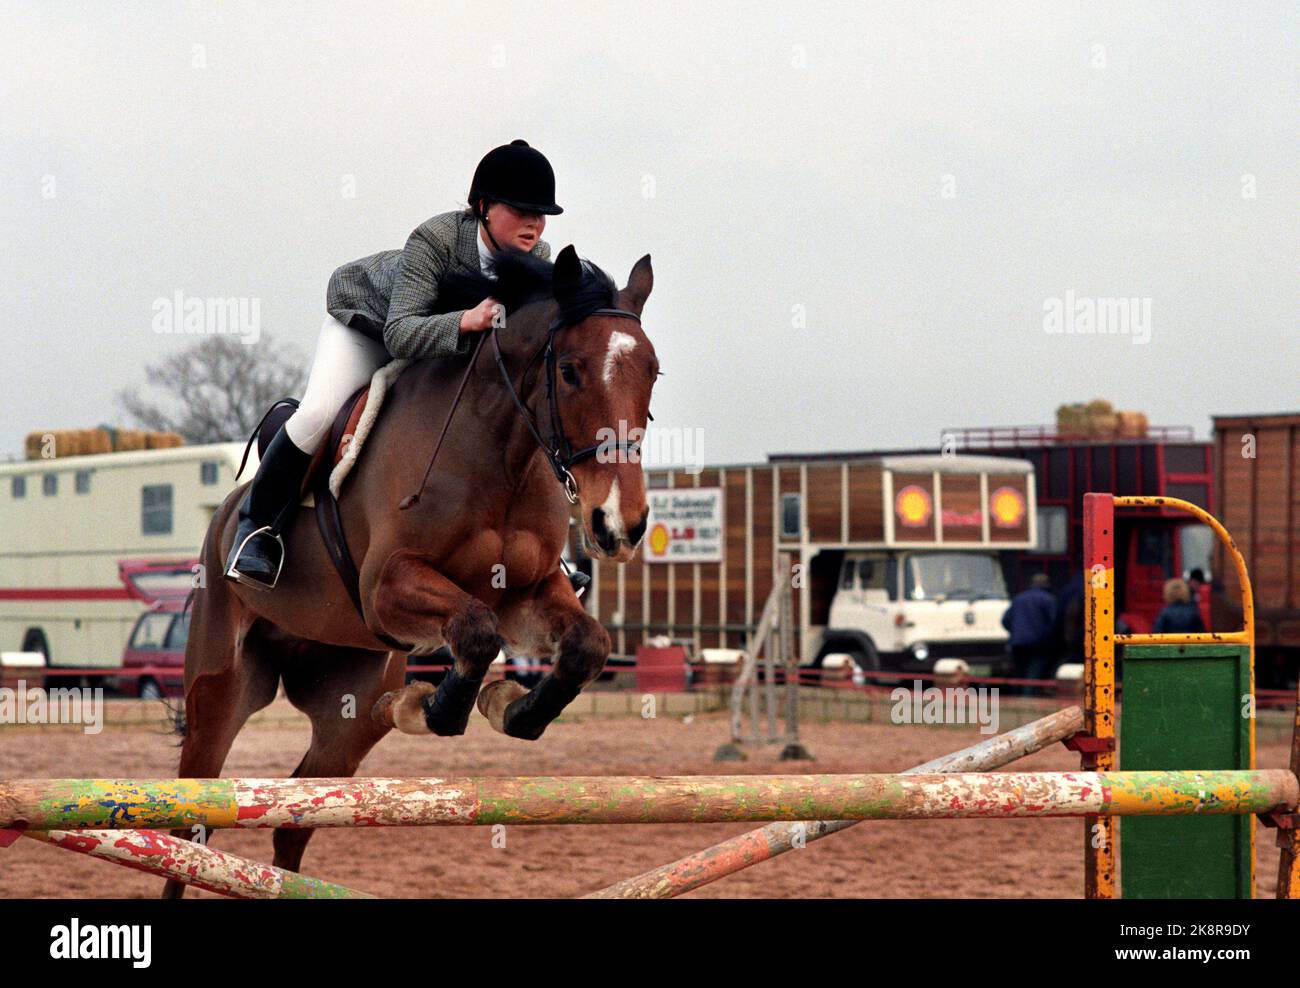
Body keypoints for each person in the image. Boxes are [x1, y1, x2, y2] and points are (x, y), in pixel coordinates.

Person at [225, 140, 563, 590]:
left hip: (443, 349)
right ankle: (257, 529)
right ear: (483, 207)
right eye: (522, 210)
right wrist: (466, 320)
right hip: (371, 327)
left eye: (541, 214)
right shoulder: (436, 239)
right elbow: (401, 332)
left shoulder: (539, 260)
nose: (534, 223)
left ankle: (547, 558)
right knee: (318, 415)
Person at [1001, 573, 1058, 694]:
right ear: (1046, 584)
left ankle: (1016, 696)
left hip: (1017, 642)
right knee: (1034, 671)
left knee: (1019, 671)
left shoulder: (1019, 598)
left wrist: (1015, 632)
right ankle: (1027, 697)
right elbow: (1054, 623)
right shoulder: (1048, 599)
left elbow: (1005, 620)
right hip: (1038, 643)